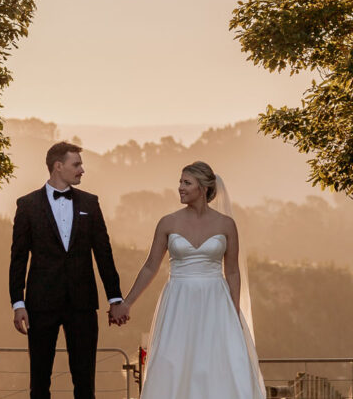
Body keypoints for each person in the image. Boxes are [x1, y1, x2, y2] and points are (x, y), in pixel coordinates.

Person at [110, 161, 265, 398]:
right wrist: (127, 302)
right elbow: (151, 266)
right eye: (180, 182)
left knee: (214, 365)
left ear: (202, 188)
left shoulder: (226, 224)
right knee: (173, 362)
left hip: (216, 302)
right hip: (178, 300)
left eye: (186, 183)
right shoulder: (168, 222)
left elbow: (232, 271)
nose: (180, 188)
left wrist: (233, 312)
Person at [9, 141, 124, 399]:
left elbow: (104, 254)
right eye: (77, 164)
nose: (82, 170)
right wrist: (18, 303)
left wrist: (115, 298)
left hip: (82, 304)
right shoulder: (27, 205)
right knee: (39, 382)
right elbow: (18, 258)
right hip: (40, 304)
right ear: (58, 166)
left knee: (85, 383)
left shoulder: (90, 203)